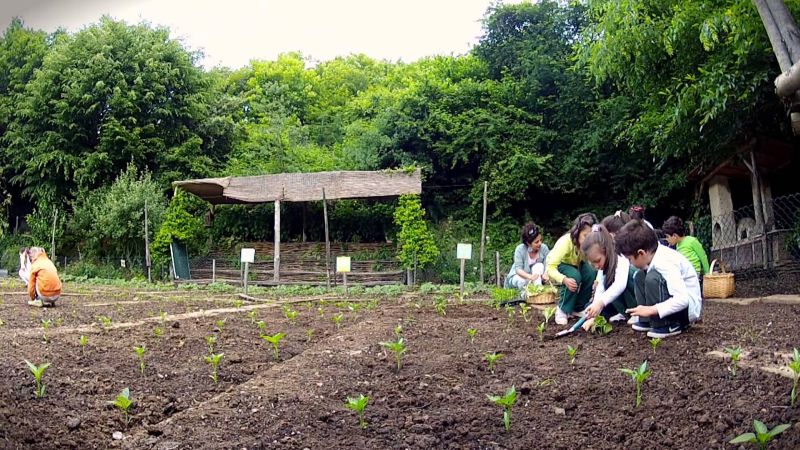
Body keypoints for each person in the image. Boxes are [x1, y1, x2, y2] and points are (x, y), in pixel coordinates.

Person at [616, 220, 702, 338]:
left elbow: (682, 299)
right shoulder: (654, 257)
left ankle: (669, 324)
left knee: (653, 278)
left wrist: (652, 309)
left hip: (686, 311)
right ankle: (647, 320)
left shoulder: (665, 262)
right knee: (640, 276)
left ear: (641, 253)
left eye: (629, 259)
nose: (630, 263)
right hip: (677, 305)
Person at [546, 213, 598, 325]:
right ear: (577, 233)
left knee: (591, 273)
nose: (588, 240)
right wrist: (564, 279)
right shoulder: (565, 243)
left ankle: (578, 307)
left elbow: (595, 264)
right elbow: (550, 267)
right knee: (574, 276)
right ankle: (562, 309)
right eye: (585, 236)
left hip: (576, 263)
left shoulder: (587, 246)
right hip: (560, 264)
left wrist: (597, 279)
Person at [580, 224, 637, 324]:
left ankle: (635, 312)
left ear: (606, 251)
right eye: (592, 263)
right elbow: (600, 288)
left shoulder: (620, 255)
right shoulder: (604, 265)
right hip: (622, 297)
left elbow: (620, 284)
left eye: (597, 261)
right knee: (604, 288)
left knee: (628, 276)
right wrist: (594, 309)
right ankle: (624, 313)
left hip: (637, 295)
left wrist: (601, 303)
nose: (596, 266)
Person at [505, 223, 550, 297]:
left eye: (540, 240)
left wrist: (546, 274)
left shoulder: (544, 248)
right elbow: (518, 270)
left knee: (539, 265)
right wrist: (530, 277)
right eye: (536, 242)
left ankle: (538, 292)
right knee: (522, 281)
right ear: (528, 243)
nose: (540, 243)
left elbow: (548, 264)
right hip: (519, 277)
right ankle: (524, 297)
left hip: (535, 279)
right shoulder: (520, 249)